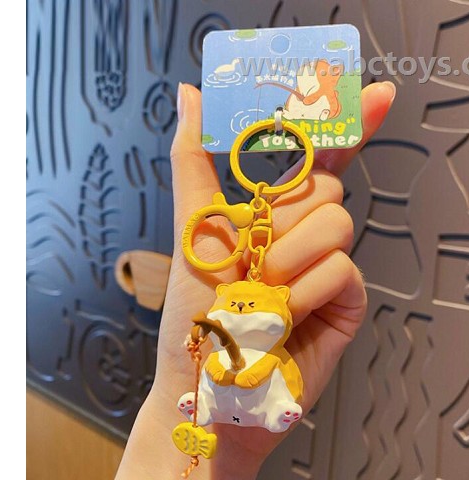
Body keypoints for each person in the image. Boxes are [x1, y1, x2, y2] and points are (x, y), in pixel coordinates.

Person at [116, 81, 395, 479]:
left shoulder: (263, 350)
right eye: (235, 305)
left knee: (271, 383)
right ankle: (204, 406)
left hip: (254, 402)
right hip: (206, 415)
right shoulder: (213, 341)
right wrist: (174, 398)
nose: (242, 310)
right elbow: (217, 365)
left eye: (247, 307)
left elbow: (256, 371)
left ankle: (270, 410)